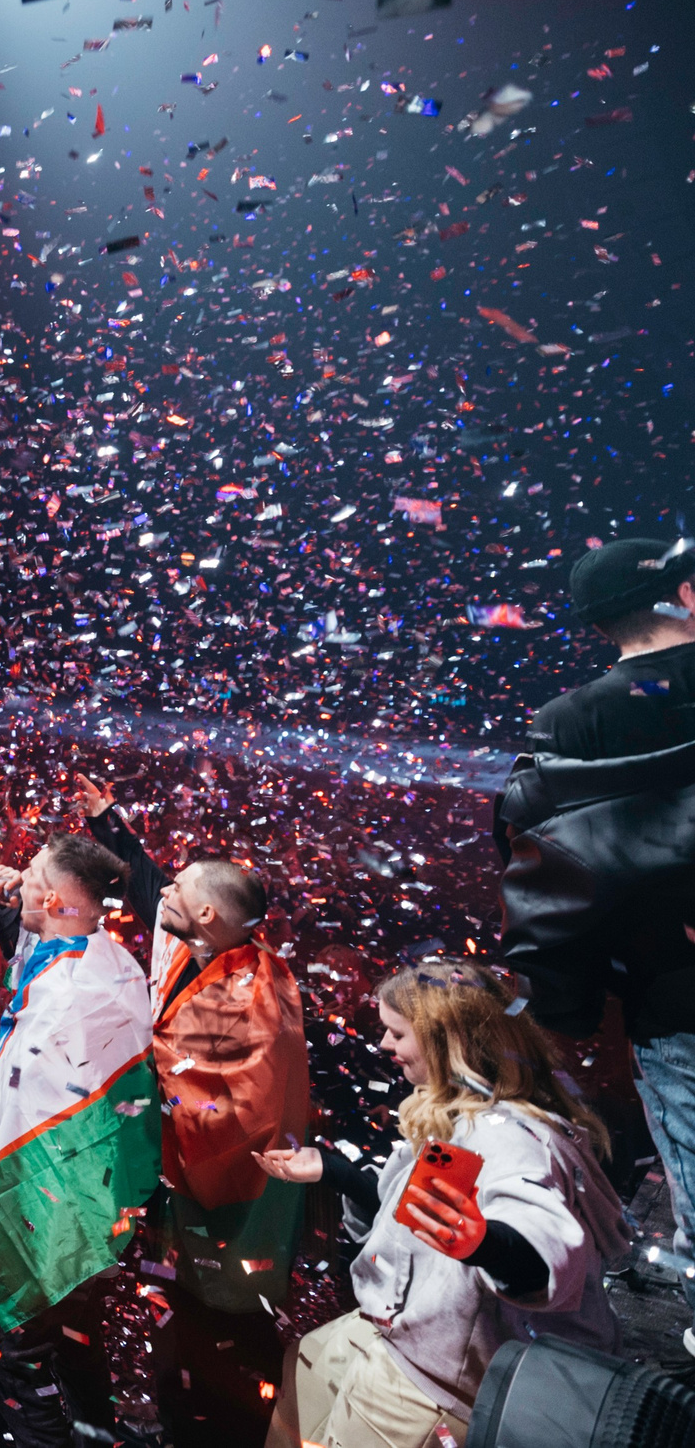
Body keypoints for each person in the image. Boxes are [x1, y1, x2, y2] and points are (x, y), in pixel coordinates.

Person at [256, 960, 628, 1448]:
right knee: (303, 1365)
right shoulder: (455, 1114)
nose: (385, 1046)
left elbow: (545, 1248)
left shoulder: (508, 1137)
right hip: (398, 1326)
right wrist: (336, 1172)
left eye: (396, 1033)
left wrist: (486, 1245)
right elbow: (416, 1213)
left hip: (438, 1379)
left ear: (445, 1040)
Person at [498, 536, 695, 1354]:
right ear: (685, 593)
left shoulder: (570, 721)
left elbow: (554, 878)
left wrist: (566, 1006)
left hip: (673, 992)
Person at [74, 774, 310, 1448]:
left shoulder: (256, 996)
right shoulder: (197, 944)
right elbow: (149, 888)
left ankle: (231, 1421)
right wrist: (108, 823)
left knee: (225, 1330)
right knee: (179, 1313)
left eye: (181, 889)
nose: (162, 894)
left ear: (207, 915)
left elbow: (245, 1113)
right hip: (181, 1193)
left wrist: (152, 1094)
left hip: (228, 1205)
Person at [0, 834, 163, 1448]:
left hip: (50, 1207)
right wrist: (7, 903)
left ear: (52, 897)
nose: (15, 875)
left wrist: (21, 1215)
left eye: (27, 872)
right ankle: (94, 1431)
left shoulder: (72, 997)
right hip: (91, 1209)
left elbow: (38, 1114)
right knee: (76, 1345)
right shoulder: (105, 962)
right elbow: (36, 950)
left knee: (14, 1353)